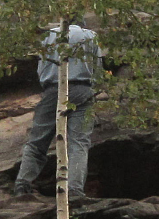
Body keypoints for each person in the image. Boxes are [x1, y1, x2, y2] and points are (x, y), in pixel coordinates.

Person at [14, 21, 101, 197]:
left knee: (38, 141)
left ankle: (23, 184)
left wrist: (47, 84)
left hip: (53, 90)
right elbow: (97, 67)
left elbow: (42, 66)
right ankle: (74, 190)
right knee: (79, 143)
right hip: (82, 90)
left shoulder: (49, 35)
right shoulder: (90, 36)